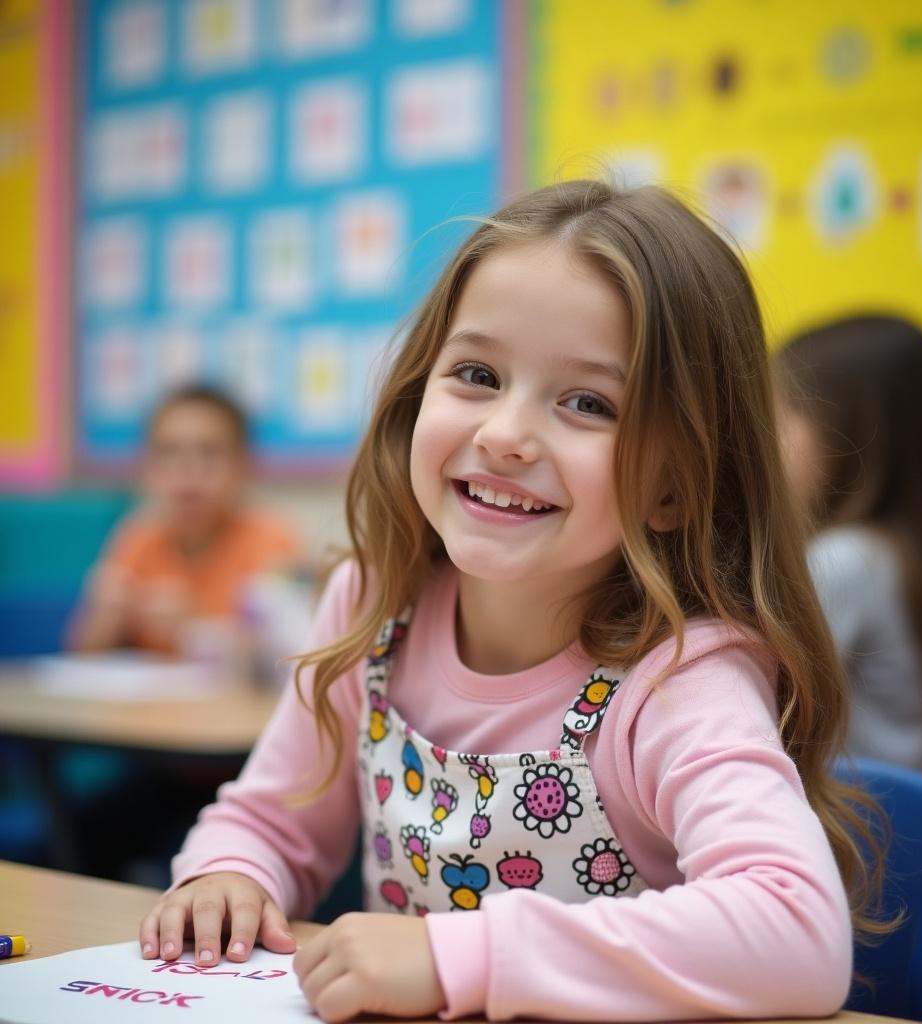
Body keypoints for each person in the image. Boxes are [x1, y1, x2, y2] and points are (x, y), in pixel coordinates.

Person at [139, 181, 873, 1022]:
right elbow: (273, 819)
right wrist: (230, 874)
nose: (504, 434)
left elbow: (798, 930)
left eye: (588, 403)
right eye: (478, 375)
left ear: (675, 488)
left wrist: (467, 957)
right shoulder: (371, 601)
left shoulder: (677, 674)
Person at [774, 315, 922, 771]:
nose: (765, 442)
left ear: (849, 434)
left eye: (782, 417)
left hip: (864, 830)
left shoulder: (843, 561)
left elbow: (760, 713)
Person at [70, 383, 302, 657]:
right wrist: (103, 620)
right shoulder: (140, 537)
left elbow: (285, 656)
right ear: (147, 467)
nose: (188, 472)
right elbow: (81, 652)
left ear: (243, 466)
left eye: (210, 453)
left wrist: (197, 630)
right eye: (169, 453)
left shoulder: (270, 540)